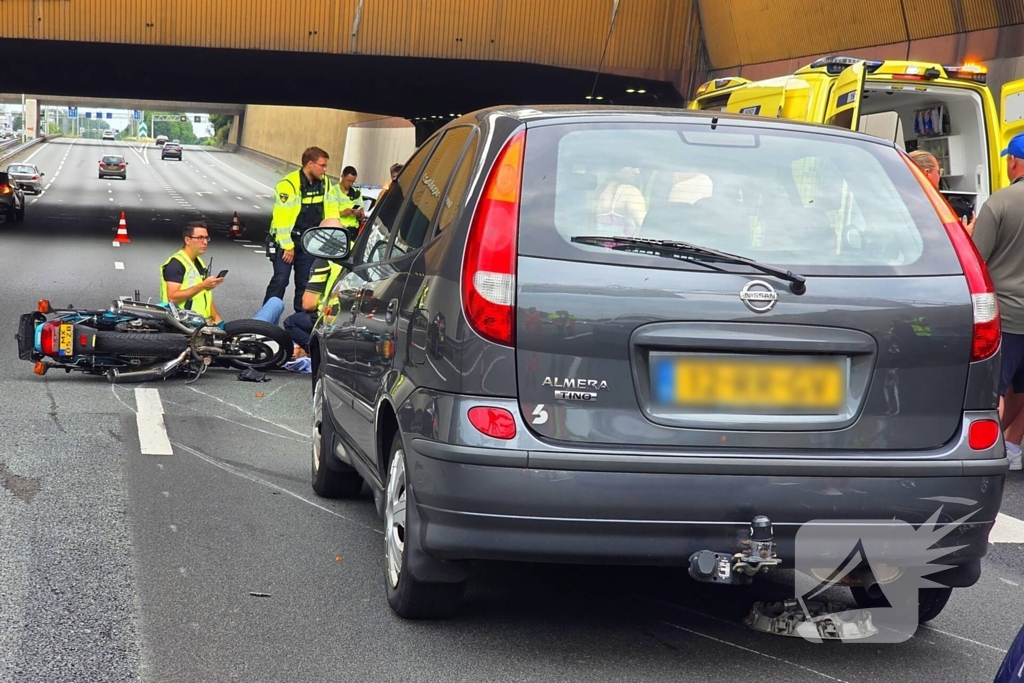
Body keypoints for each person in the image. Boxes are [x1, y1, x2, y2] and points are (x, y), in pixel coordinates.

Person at [970, 132, 1024, 471]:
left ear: (1014, 162)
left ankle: (987, 453)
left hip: (1005, 317)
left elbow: (975, 261)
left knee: (995, 389)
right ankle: (1014, 446)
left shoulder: (1000, 203)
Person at [265, 146, 340, 314]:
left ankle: (301, 324)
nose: (325, 169)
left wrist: (333, 234)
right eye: (322, 165)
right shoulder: (288, 185)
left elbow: (332, 209)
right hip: (286, 242)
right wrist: (287, 246)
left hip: (310, 243)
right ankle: (264, 320)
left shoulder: (325, 183)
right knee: (281, 280)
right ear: (310, 164)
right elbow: (281, 219)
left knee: (305, 284)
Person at [282, 219, 346, 356]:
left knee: (291, 322)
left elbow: (308, 305)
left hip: (333, 316)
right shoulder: (357, 250)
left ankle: (316, 352)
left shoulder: (325, 257)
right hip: (359, 313)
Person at [160, 222, 224, 325]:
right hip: (182, 324)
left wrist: (218, 321)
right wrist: (203, 285)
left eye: (206, 238)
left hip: (200, 323)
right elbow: (172, 297)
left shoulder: (199, 263)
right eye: (200, 238)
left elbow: (206, 297)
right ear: (187, 240)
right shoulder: (176, 264)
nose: (205, 242)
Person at [909, 149, 976, 235]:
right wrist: (963, 236)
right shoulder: (926, 206)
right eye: (938, 172)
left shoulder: (904, 198)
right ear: (926, 173)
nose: (940, 176)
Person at [334, 165, 364, 238]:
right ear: (342, 176)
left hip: (353, 232)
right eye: (349, 181)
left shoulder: (357, 193)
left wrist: (359, 214)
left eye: (353, 181)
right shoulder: (333, 191)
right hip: (338, 230)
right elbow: (328, 214)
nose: (351, 184)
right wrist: (343, 213)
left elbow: (362, 216)